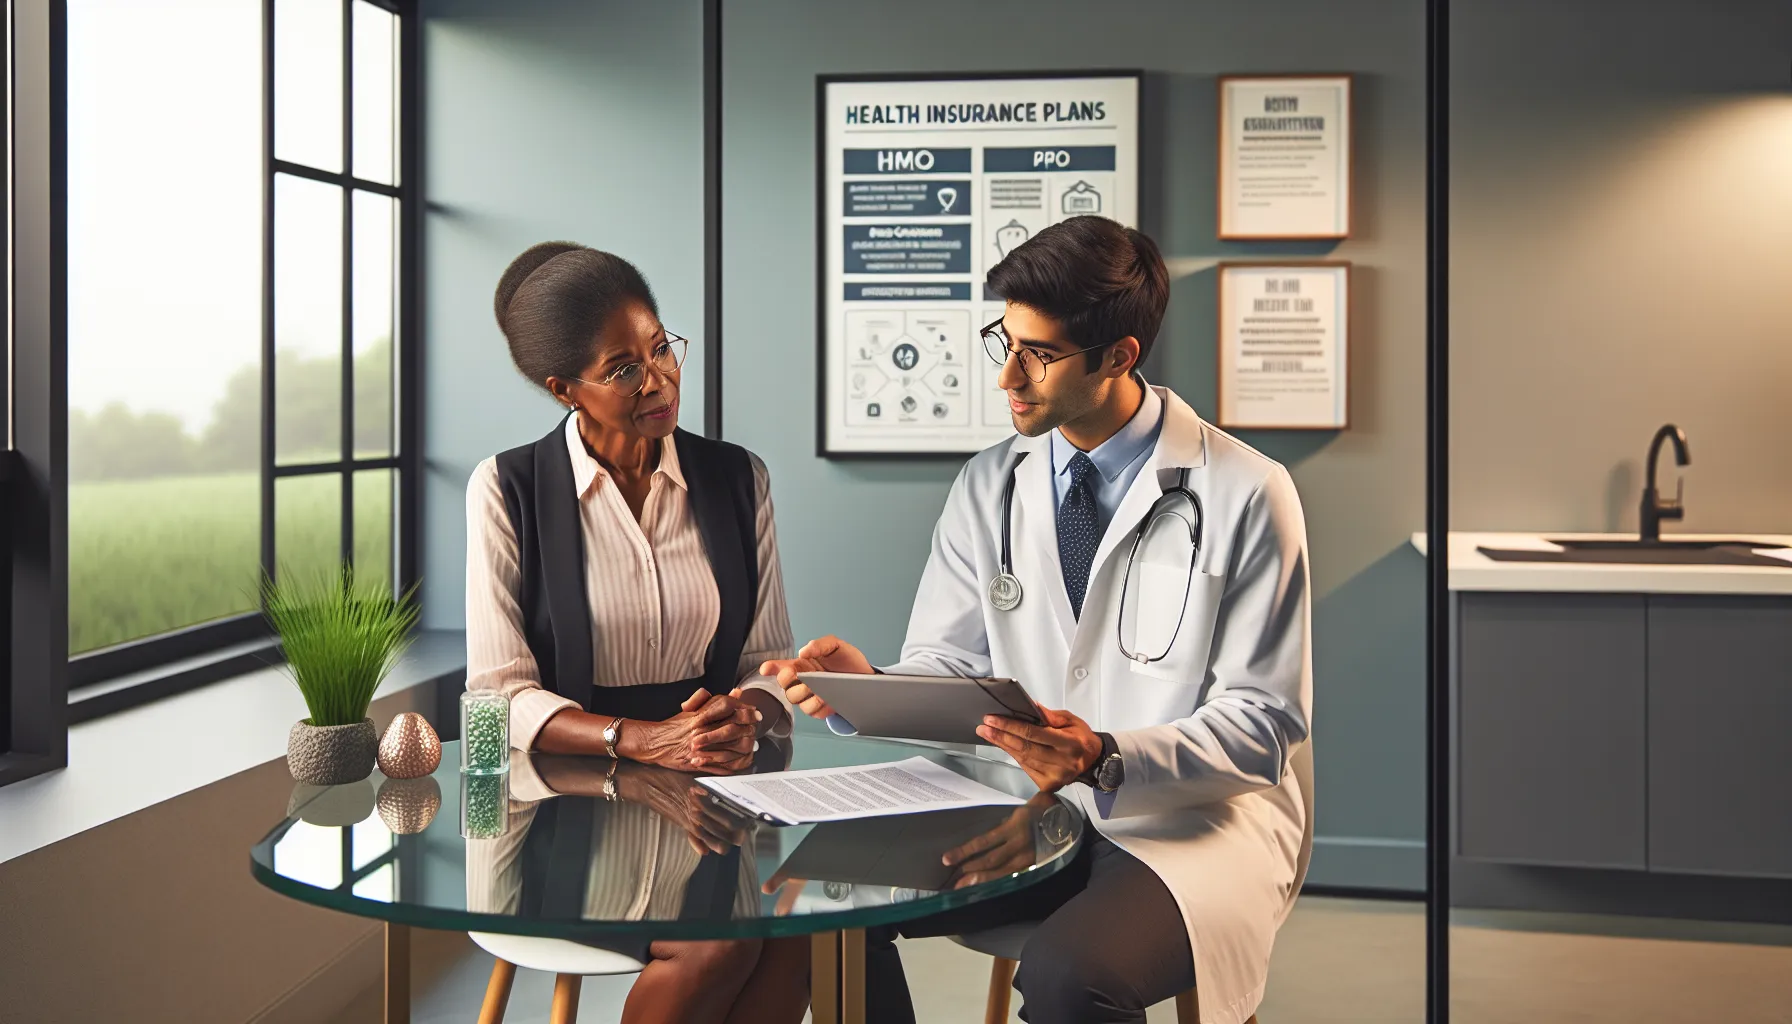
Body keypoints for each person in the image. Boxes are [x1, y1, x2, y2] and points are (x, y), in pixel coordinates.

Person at [762, 216, 1313, 1024]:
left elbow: (1264, 724)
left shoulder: (1247, 492)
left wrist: (1104, 756)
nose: (1007, 377)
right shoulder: (991, 484)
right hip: (1022, 806)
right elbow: (950, 668)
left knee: (1068, 978)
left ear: (1121, 355)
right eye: (1005, 341)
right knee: (820, 900)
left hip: (1187, 825)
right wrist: (868, 687)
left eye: (1040, 354)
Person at [467, 241, 808, 1024]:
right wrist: (642, 740)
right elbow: (493, 701)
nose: (657, 379)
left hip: (713, 799)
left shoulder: (737, 478)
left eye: (660, 348)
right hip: (562, 805)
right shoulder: (508, 488)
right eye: (622, 368)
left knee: (798, 934)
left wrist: (745, 713)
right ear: (566, 390)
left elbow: (767, 661)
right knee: (720, 946)